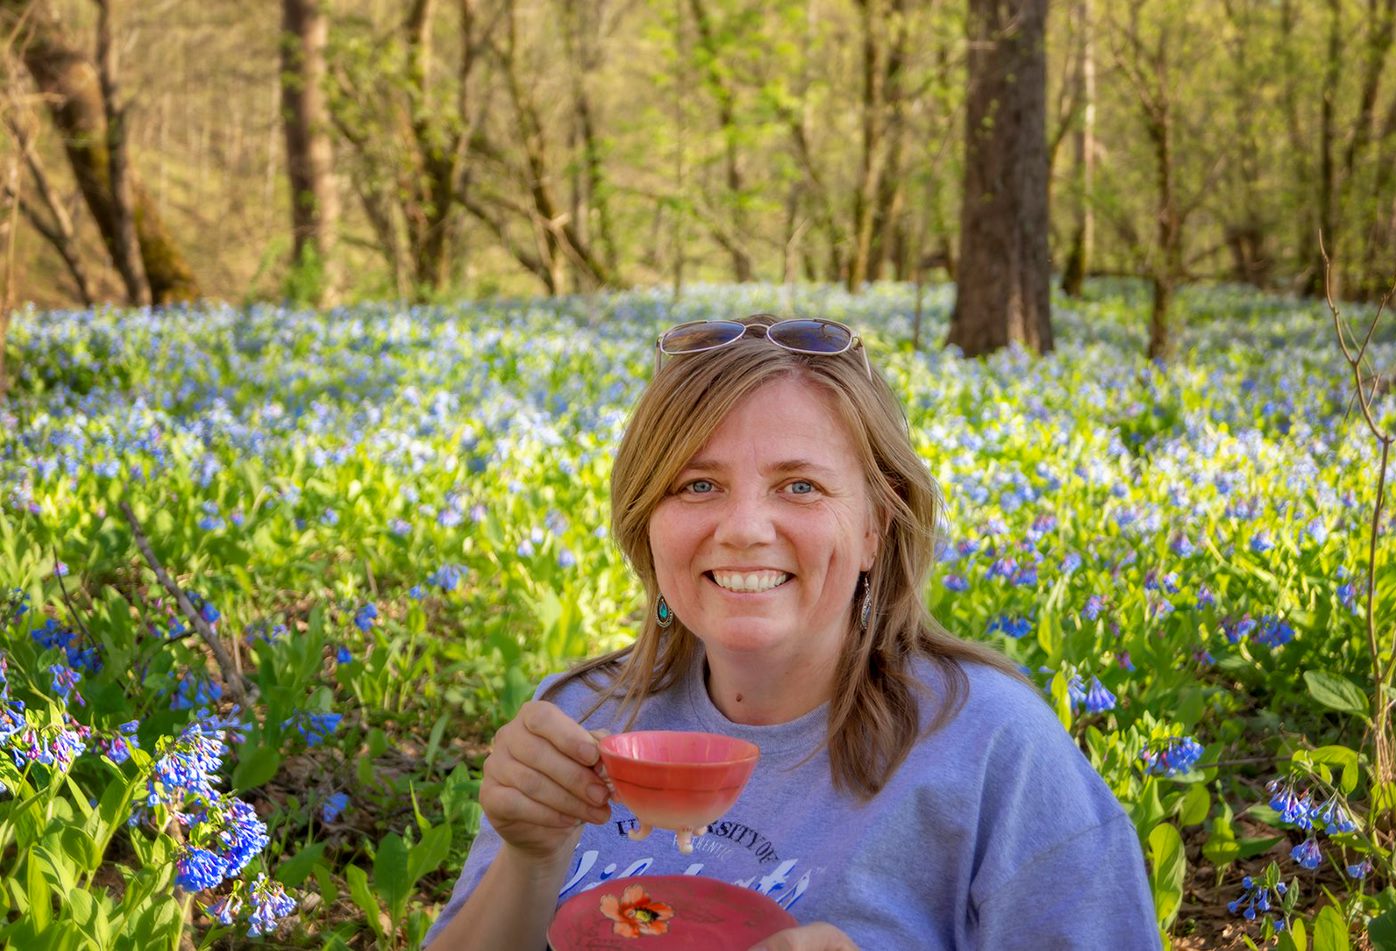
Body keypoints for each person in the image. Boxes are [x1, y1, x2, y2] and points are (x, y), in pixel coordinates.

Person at [425, 314, 1159, 950]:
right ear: (649, 525)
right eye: (697, 484)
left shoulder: (995, 751)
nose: (744, 528)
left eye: (799, 485)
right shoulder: (581, 720)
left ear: (876, 524)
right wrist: (530, 860)